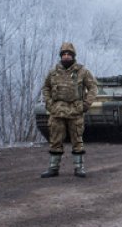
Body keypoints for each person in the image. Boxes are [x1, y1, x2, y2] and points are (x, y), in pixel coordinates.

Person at [40, 42, 97, 178]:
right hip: (57, 110)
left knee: (77, 139)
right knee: (55, 139)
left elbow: (93, 88)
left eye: (69, 54)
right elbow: (46, 88)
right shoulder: (53, 73)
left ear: (73, 56)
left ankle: (79, 168)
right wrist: (49, 103)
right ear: (61, 56)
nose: (66, 56)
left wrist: (85, 105)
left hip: (75, 110)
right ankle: (53, 168)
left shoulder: (82, 71)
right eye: (64, 54)